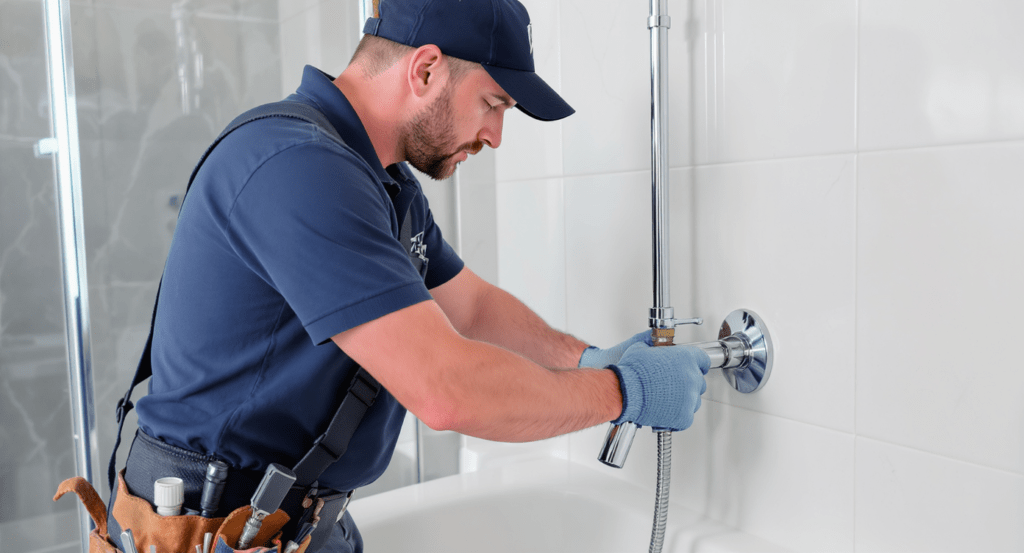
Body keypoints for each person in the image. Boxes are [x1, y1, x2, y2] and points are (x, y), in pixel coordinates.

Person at [105, 0, 711, 551]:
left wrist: (586, 359)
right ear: (425, 70)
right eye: (494, 103)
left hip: (294, 522)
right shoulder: (299, 167)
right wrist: (624, 392)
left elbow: (470, 309)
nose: (496, 136)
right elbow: (446, 392)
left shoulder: (386, 185)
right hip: (203, 527)